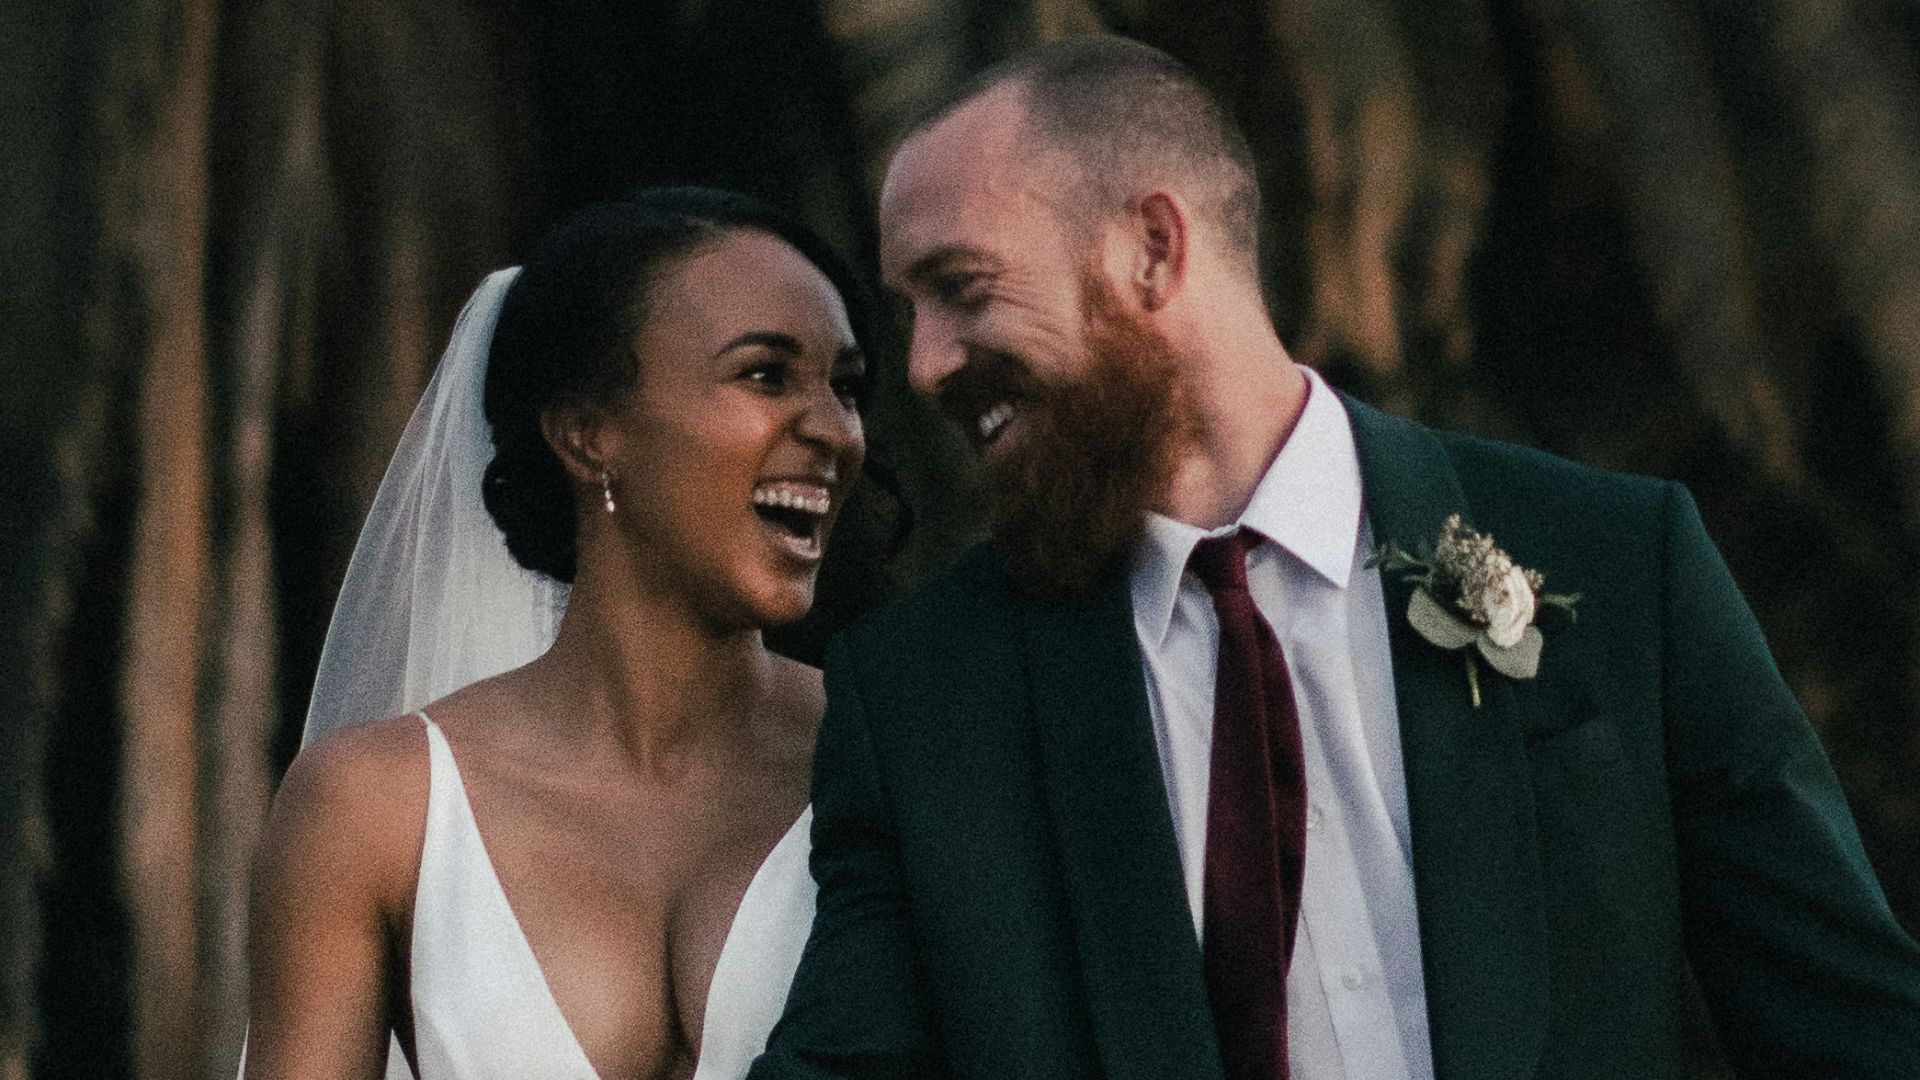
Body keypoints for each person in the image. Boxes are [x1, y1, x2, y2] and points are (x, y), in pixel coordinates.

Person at [748, 35, 1920, 1080]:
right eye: (911, 316)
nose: (925, 368)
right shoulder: (924, 700)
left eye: (961, 290)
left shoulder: (1616, 564)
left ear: (1154, 249)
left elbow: (1849, 1026)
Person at [243, 188, 872, 1080]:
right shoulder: (377, 810)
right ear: (588, 434)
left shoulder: (887, 762)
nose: (835, 432)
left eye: (846, 388)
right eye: (766, 375)